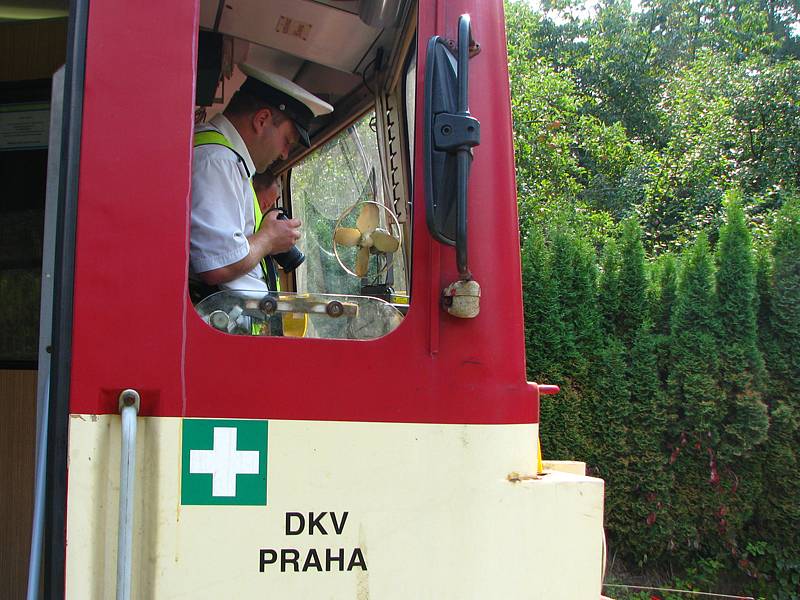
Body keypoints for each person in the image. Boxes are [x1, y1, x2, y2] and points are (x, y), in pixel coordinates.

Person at [189, 64, 333, 298]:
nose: (285, 154)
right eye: (287, 140)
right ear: (262, 119)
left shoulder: (227, 158)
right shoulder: (219, 159)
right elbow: (217, 265)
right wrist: (269, 238)